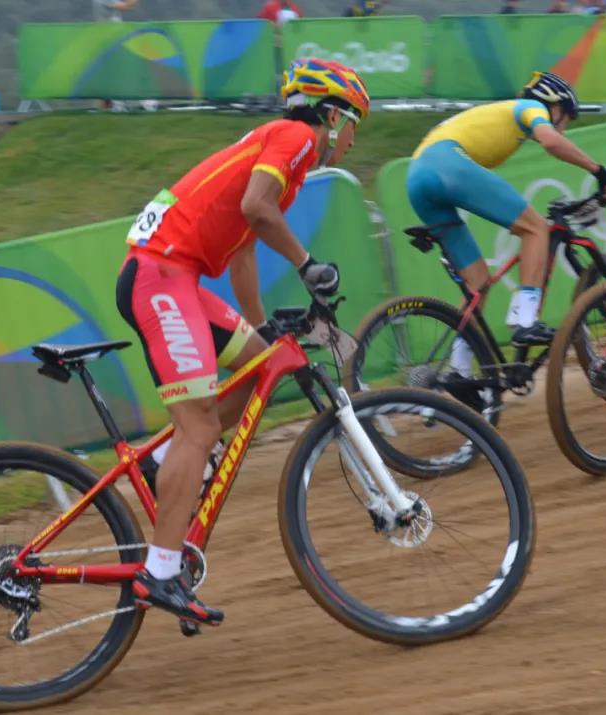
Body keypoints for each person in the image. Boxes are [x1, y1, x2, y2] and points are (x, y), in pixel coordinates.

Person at [116, 58, 370, 626]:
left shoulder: (277, 152)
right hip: (162, 277)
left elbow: (244, 248)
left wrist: (260, 334)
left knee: (260, 369)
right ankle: (160, 571)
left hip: (171, 276)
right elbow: (257, 209)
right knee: (201, 427)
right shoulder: (297, 138)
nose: (353, 141)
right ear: (334, 117)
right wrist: (307, 264)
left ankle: (163, 461)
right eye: (355, 125)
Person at [406, 71, 606, 354]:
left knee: (478, 283)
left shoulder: (500, 114)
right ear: (554, 106)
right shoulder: (530, 108)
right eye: (566, 118)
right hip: (446, 163)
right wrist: (600, 172)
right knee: (536, 228)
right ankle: (525, 320)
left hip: (416, 177)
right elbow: (551, 142)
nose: (564, 128)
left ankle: (459, 367)